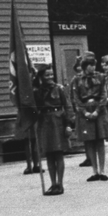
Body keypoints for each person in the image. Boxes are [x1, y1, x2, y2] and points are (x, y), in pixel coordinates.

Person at [33, 66, 73, 195]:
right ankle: (53, 183)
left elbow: (67, 107)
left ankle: (60, 184)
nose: (50, 78)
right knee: (49, 154)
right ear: (41, 77)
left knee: (58, 153)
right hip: (44, 122)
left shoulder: (59, 89)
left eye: (51, 75)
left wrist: (68, 124)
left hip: (58, 121)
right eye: (46, 75)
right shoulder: (37, 91)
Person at [71, 54, 108, 182]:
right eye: (90, 65)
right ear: (84, 67)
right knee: (90, 141)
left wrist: (98, 110)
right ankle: (94, 171)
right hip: (85, 112)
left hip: (99, 110)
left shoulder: (100, 77)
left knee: (100, 141)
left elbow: (104, 95)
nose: (93, 68)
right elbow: (75, 98)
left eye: (94, 65)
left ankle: (102, 170)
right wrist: (84, 112)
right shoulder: (76, 80)